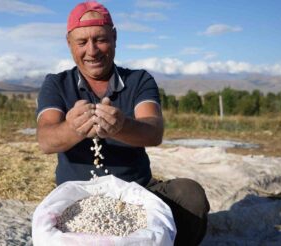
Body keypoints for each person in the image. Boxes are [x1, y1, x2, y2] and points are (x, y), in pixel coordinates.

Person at [36, 1, 210, 245]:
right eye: (82, 42)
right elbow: (45, 140)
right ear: (69, 44)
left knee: (190, 196)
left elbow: (154, 132)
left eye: (100, 39)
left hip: (137, 192)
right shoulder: (56, 83)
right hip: (78, 197)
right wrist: (72, 128)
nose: (92, 50)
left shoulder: (138, 80)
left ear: (115, 37)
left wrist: (122, 126)